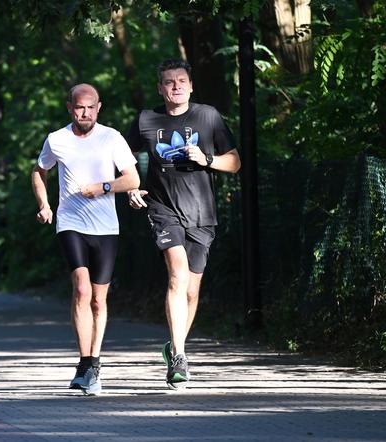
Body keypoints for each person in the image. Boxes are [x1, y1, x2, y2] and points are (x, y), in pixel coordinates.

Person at [125, 59, 241, 389]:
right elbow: (121, 158)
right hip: (163, 209)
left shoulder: (208, 117)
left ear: (191, 86)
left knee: (191, 291)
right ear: (160, 88)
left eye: (181, 80)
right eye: (168, 81)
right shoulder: (147, 120)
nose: (175, 86)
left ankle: (177, 345)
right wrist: (131, 187)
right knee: (176, 273)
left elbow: (234, 162)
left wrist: (206, 159)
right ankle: (179, 357)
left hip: (202, 214)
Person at [31, 84, 139, 395]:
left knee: (98, 298)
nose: (85, 113)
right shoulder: (57, 139)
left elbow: (132, 178)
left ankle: (95, 363)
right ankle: (84, 361)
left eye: (91, 107)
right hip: (71, 223)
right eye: (80, 107)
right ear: (69, 108)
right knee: (81, 289)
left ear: (99, 107)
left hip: (106, 227)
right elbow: (39, 171)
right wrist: (44, 205)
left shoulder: (111, 137)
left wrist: (104, 187)